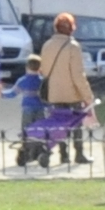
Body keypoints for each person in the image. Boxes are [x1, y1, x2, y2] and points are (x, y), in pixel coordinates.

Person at [32, 11, 93, 163]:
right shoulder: (73, 47)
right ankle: (79, 153)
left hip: (54, 93)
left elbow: (44, 71)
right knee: (76, 123)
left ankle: (63, 155)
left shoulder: (47, 45)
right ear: (72, 28)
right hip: (72, 93)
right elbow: (78, 75)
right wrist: (87, 96)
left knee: (59, 125)